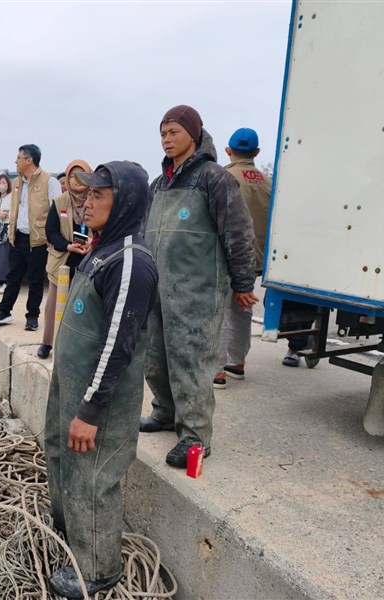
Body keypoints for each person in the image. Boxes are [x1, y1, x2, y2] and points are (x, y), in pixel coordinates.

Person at [45, 161, 158, 599]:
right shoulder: (100, 249)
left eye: (98, 196)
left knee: (94, 477)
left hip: (99, 397)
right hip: (71, 384)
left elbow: (118, 344)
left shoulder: (131, 261)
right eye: (85, 195)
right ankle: (70, 536)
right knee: (61, 456)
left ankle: (97, 569)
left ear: (124, 202)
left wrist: (91, 409)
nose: (86, 202)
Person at [139, 105, 258, 469]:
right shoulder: (158, 184)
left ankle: (194, 436)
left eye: (174, 131)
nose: (167, 139)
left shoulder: (214, 178)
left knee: (191, 362)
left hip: (198, 291)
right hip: (159, 288)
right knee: (155, 358)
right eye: (162, 133)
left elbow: (238, 232)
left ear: (193, 133)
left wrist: (242, 282)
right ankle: (164, 412)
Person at [213, 128, 271, 388]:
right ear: (256, 152)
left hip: (228, 255)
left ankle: (217, 370)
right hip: (255, 258)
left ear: (228, 150)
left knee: (221, 310)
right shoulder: (268, 183)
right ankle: (236, 363)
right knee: (242, 307)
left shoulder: (224, 177)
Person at [0, 144, 61, 330]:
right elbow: (15, 210)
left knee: (36, 280)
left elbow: (57, 212)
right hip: (17, 237)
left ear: (29, 160)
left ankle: (32, 316)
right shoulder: (18, 182)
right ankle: (4, 312)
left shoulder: (49, 182)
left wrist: (51, 239)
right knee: (13, 277)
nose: (16, 161)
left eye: (19, 158)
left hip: (37, 240)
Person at [37, 159, 93, 359]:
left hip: (87, 260)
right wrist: (68, 245)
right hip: (63, 260)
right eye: (71, 176)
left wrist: (91, 245)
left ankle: (76, 346)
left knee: (82, 307)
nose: (76, 180)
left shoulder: (95, 199)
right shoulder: (60, 201)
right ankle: (47, 343)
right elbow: (50, 231)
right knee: (53, 304)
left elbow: (103, 228)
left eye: (81, 175)